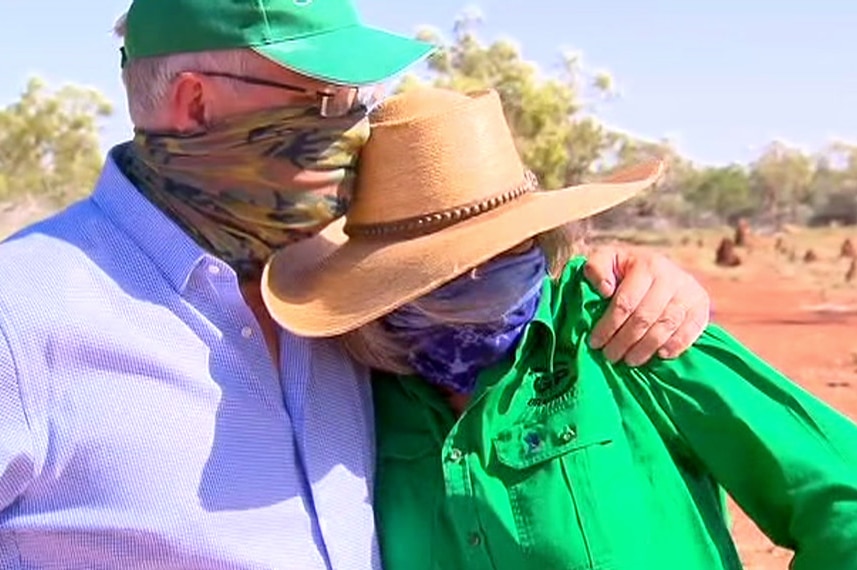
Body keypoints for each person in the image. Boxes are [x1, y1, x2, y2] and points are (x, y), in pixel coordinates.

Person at [0, 2, 712, 568]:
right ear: (195, 104)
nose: (360, 132)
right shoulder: (21, 315)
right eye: (332, 103)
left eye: (364, 103)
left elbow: (490, 273)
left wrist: (630, 279)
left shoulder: (351, 297)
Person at [263, 86, 857, 570]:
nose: (473, 274)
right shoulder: (358, 383)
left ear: (535, 236)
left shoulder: (625, 325)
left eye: (498, 249)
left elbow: (840, 494)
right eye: (433, 271)